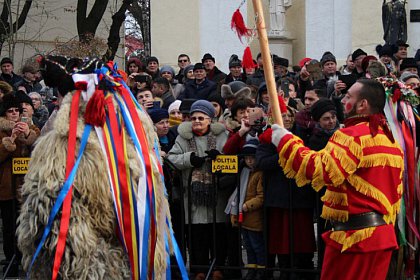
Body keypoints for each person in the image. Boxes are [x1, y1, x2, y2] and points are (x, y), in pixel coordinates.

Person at [271, 79, 404, 280]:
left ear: (363, 105)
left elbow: (319, 170)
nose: (343, 100)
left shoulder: (351, 135)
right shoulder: (390, 140)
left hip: (354, 240)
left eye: (348, 96)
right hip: (380, 237)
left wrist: (285, 141)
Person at [167, 100, 228, 280]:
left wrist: (220, 158)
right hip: (194, 196)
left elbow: (231, 157)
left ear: (210, 119)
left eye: (201, 117)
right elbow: (172, 157)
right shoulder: (183, 137)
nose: (197, 121)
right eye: (193, 118)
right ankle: (199, 270)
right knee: (196, 236)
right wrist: (190, 159)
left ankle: (218, 268)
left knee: (217, 234)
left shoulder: (221, 135)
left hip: (217, 195)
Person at [0, 94, 39, 276]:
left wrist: (25, 134)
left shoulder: (31, 127)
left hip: (27, 188)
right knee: (9, 228)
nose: (14, 114)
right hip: (7, 188)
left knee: (29, 226)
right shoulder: (1, 131)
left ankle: (28, 261)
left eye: (17, 110)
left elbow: (37, 142)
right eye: (10, 111)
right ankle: (10, 262)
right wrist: (10, 140)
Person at [226, 138, 265, 280]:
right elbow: (238, 192)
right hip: (245, 218)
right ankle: (251, 268)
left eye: (252, 158)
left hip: (254, 217)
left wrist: (247, 205)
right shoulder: (244, 173)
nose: (249, 161)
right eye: (247, 158)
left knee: (257, 246)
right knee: (248, 246)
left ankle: (261, 269)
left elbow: (261, 196)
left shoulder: (259, 174)